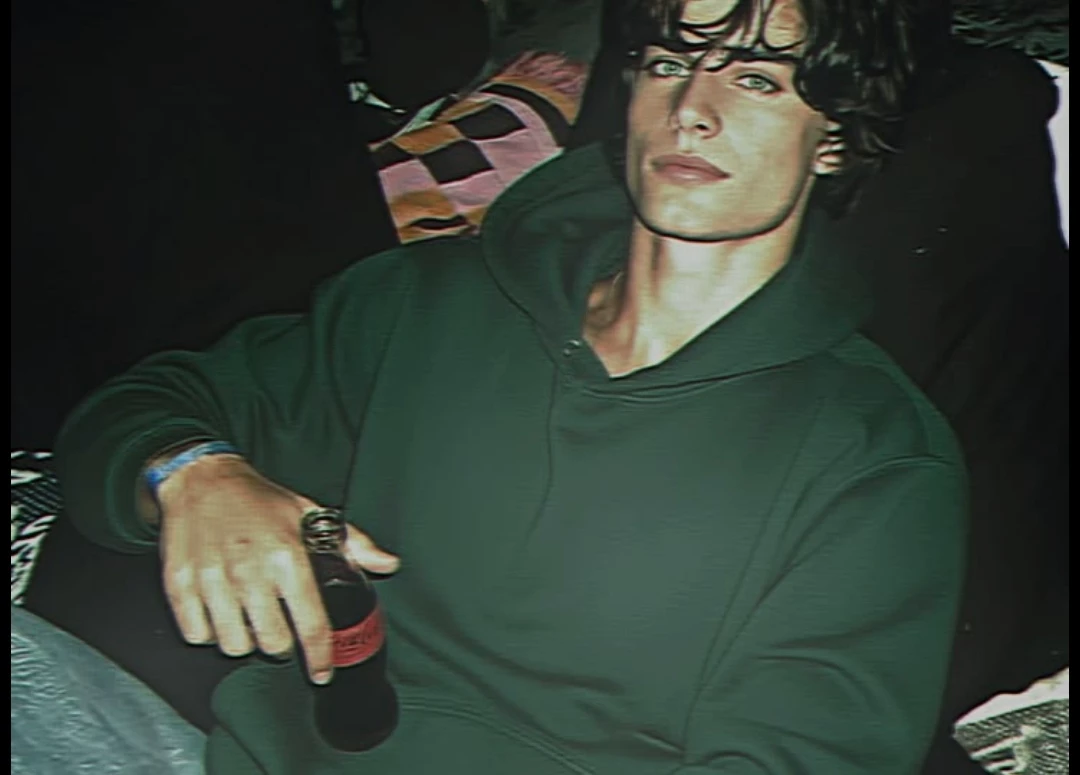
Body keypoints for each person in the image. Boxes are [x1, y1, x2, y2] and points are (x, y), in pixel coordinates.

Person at [39, 0, 968, 772]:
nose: (692, 108)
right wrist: (194, 473)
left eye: (756, 80)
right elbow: (131, 413)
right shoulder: (426, 301)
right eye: (667, 63)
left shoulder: (876, 458)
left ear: (835, 139)